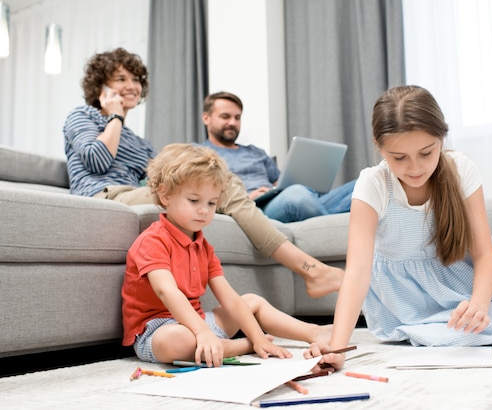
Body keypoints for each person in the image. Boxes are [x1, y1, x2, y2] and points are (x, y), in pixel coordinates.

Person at [305, 85, 492, 371]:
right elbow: (359, 272)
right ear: (379, 148)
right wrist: (338, 348)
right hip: (412, 302)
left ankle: (449, 327)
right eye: (399, 158)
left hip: (471, 281)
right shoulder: (372, 185)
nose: (415, 168)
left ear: (442, 139)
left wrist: (478, 305)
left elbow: (485, 255)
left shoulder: (461, 168)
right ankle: (427, 329)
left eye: (426, 152)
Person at [62, 47, 342, 298]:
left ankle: (311, 269)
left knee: (221, 184)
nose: (132, 86)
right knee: (216, 188)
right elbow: (97, 160)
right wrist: (116, 115)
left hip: (134, 193)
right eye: (121, 79)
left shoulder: (138, 141)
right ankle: (311, 269)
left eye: (135, 80)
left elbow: (155, 177)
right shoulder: (82, 116)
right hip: (105, 196)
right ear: (101, 86)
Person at [121, 143, 331, 364]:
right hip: (158, 331)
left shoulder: (203, 246)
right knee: (176, 340)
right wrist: (203, 333)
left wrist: (259, 336)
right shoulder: (153, 240)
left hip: (201, 323)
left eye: (212, 203)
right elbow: (166, 291)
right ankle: (242, 345)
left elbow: (229, 298)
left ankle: (313, 332)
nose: (204, 210)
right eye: (194, 201)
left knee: (251, 301)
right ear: (165, 195)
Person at [200, 91, 355, 223]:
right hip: (253, 208)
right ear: (206, 118)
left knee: (365, 182)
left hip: (280, 199)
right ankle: (336, 231)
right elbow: (202, 195)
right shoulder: (199, 153)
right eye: (225, 117)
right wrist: (246, 197)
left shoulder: (256, 152)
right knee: (297, 195)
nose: (232, 123)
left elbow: (282, 183)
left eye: (237, 117)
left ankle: (316, 214)